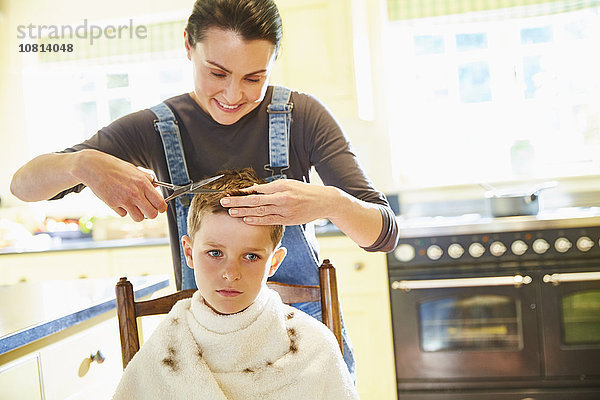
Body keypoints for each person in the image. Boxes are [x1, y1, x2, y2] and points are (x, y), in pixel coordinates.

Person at [10, 0, 398, 377]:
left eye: (253, 78)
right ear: (187, 46)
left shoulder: (302, 117)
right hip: (204, 349)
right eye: (216, 73)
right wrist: (83, 162)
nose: (232, 96)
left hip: (300, 347)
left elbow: (383, 234)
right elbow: (23, 186)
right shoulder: (159, 128)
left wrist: (329, 202)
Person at [112, 168, 359, 400]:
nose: (231, 274)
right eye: (215, 253)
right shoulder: (162, 351)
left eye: (251, 256)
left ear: (274, 263)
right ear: (189, 253)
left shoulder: (315, 348)